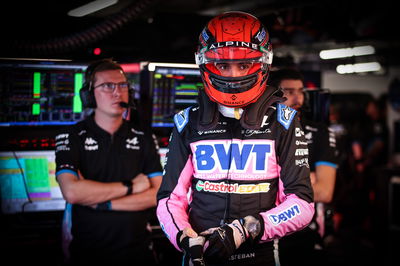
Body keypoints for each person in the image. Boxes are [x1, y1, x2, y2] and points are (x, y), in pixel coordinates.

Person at [156, 11, 315, 266]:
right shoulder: (188, 122)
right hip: (200, 254)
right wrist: (185, 238)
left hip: (259, 256)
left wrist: (245, 229)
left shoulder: (283, 121)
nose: (233, 75)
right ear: (204, 63)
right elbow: (169, 199)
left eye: (243, 65)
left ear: (263, 63)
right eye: (222, 65)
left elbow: (302, 204)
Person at [55, 58, 163, 265]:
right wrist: (132, 186)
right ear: (89, 95)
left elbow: (158, 195)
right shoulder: (71, 136)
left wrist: (103, 203)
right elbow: (72, 192)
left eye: (122, 85)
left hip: (138, 251)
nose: (117, 92)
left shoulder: (145, 137)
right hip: (88, 253)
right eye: (107, 86)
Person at [269, 68, 339, 265]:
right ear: (272, 92)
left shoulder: (319, 132)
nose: (297, 98)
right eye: (289, 91)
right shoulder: (259, 130)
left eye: (300, 91)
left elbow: (324, 192)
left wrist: (269, 188)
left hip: (305, 235)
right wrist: (303, 181)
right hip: (265, 234)